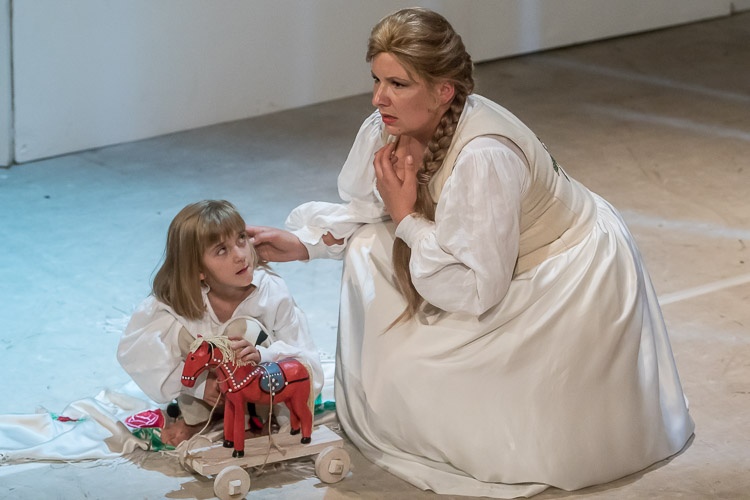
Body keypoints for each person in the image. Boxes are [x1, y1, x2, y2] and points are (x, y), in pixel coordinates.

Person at [247, 7, 694, 498]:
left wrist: (406, 218)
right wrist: (306, 245)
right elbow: (370, 211)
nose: (379, 98)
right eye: (377, 80)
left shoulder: (484, 157)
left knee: (438, 392)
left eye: (397, 84)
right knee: (367, 253)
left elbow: (479, 288)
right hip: (475, 260)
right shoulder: (389, 125)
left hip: (558, 274)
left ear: (444, 91)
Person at [117, 200, 323, 446]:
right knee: (185, 338)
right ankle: (196, 418)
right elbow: (138, 355)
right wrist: (200, 388)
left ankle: (255, 421)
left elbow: (304, 358)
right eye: (221, 250)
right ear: (198, 270)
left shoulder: (271, 291)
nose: (240, 255)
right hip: (207, 390)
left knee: (243, 329)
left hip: (256, 385)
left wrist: (263, 355)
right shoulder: (175, 301)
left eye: (241, 239)